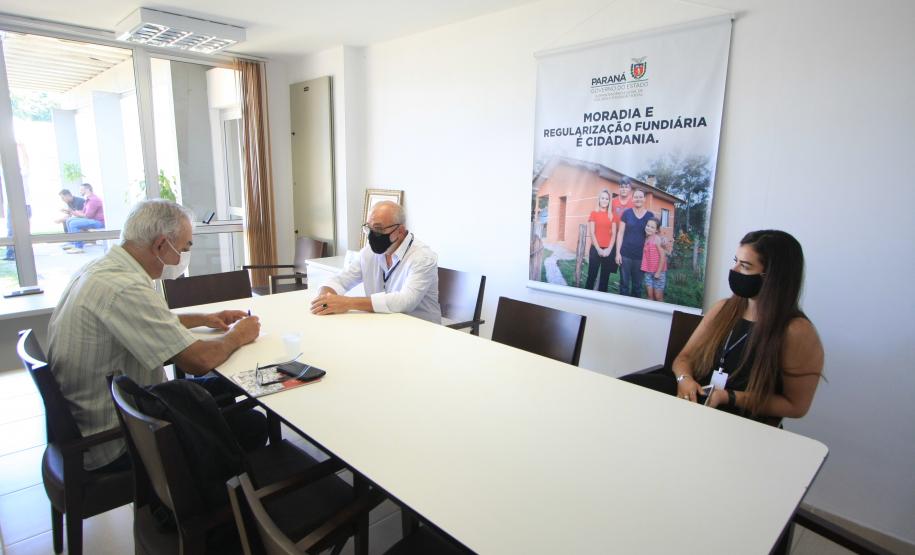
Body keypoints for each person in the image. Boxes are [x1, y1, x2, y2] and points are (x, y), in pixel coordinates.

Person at [48, 199, 264, 472]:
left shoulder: (102, 271)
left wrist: (202, 319)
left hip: (103, 412)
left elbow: (141, 321)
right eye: (184, 247)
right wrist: (237, 336)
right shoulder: (125, 287)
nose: (183, 257)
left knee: (226, 388)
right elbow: (197, 361)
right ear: (161, 245)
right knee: (252, 424)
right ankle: (215, 504)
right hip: (121, 435)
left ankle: (217, 485)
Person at [621, 230, 824, 424]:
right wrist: (685, 379)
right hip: (696, 396)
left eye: (745, 266)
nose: (734, 270)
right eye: (735, 261)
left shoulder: (796, 331)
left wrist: (730, 397)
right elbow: (684, 359)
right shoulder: (723, 309)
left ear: (772, 277)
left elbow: (796, 406)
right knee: (623, 387)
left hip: (738, 414)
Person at [310, 201, 442, 323]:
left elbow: (405, 301)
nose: (372, 235)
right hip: (383, 325)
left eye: (378, 229)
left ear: (400, 231)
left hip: (420, 331)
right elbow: (340, 280)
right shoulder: (369, 253)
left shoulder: (422, 258)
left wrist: (347, 302)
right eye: (369, 228)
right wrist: (325, 299)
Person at [614, 189, 655, 297]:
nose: (638, 199)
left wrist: (662, 240)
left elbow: (654, 233)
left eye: (640, 197)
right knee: (624, 285)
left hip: (641, 257)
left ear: (644, 199)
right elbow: (620, 233)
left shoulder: (650, 215)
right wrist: (618, 253)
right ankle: (623, 310)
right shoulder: (626, 213)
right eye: (636, 197)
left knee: (637, 287)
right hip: (625, 255)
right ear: (632, 199)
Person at [584, 188, 617, 292]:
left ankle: (601, 304)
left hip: (608, 251)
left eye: (606, 198)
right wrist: (598, 249)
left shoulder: (612, 216)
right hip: (595, 250)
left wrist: (609, 250)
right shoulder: (594, 213)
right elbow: (592, 233)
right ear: (599, 199)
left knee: (604, 280)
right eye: (602, 198)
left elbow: (614, 235)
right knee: (591, 277)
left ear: (609, 201)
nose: (604, 200)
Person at [65, 183, 105, 253]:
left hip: (99, 222)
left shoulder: (94, 200)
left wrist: (73, 212)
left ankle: (78, 247)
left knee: (73, 224)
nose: (80, 191)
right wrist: (73, 212)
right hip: (92, 219)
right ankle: (73, 244)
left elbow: (88, 216)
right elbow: (83, 213)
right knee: (69, 220)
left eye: (81, 190)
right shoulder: (88, 199)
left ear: (87, 189)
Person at [640, 218, 667, 302]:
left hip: (658, 272)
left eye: (652, 227)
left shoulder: (657, 239)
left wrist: (658, 272)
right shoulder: (646, 238)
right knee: (649, 296)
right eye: (648, 226)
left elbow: (663, 257)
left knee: (658, 296)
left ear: (656, 230)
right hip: (648, 271)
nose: (649, 228)